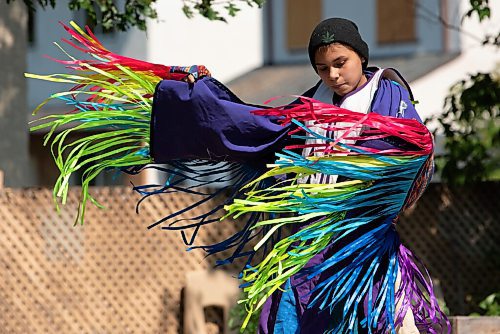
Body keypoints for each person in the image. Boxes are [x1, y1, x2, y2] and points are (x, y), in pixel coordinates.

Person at [28, 19, 449, 334]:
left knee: (387, 322)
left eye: (341, 63)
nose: (333, 75)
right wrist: (198, 93)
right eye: (323, 68)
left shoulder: (387, 93)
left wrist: (349, 179)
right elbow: (253, 127)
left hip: (360, 246)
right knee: (287, 316)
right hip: (307, 239)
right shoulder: (309, 105)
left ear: (361, 55)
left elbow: (408, 148)